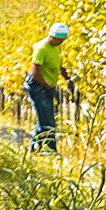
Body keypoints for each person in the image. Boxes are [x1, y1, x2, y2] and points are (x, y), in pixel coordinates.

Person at [24, 22, 71, 153]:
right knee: (48, 121)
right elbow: (35, 72)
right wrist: (47, 87)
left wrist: (68, 78)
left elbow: (59, 65)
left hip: (47, 87)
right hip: (38, 87)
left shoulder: (57, 47)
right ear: (52, 36)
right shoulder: (42, 48)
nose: (61, 42)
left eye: (63, 40)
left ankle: (33, 148)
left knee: (43, 118)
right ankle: (50, 150)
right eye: (59, 40)